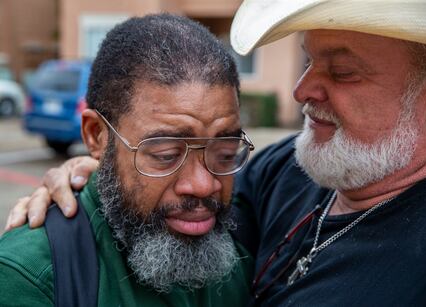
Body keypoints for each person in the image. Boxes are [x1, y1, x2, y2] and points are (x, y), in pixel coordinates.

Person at [6, 0, 426, 306]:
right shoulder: (293, 168)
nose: (301, 90)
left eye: (342, 72)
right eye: (307, 60)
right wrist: (102, 170)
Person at [0, 14, 256, 306]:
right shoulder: (31, 276)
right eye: (166, 155)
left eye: (224, 154)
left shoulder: (238, 246)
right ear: (96, 135)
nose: (203, 185)